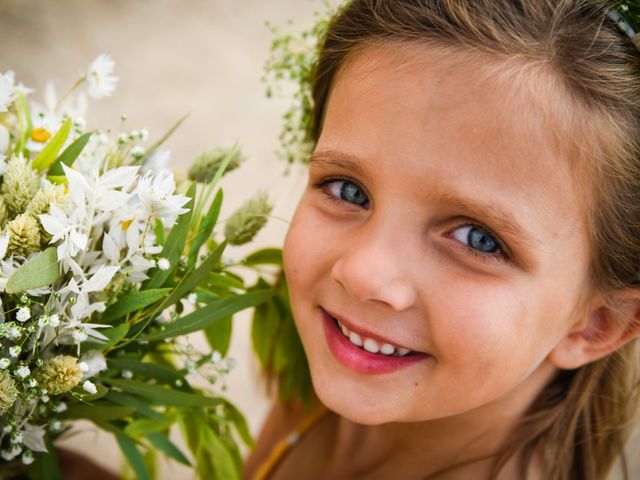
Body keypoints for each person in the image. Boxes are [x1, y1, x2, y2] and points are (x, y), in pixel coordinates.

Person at [244, 0, 640, 479]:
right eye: (349, 190)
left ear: (597, 323)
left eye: (478, 239)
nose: (363, 274)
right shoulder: (332, 353)